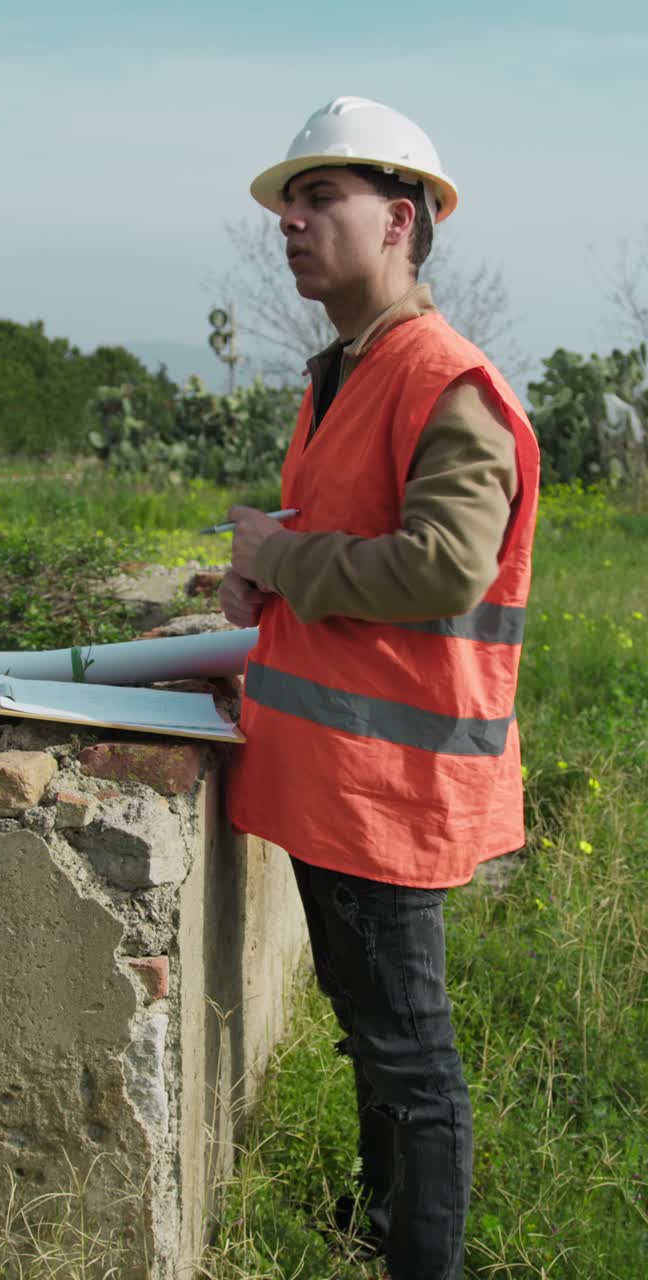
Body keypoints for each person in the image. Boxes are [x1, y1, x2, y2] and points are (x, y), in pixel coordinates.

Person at [219, 96, 540, 1280]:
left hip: (391, 785)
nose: (288, 225)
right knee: (375, 1036)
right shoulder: (343, 371)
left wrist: (283, 559)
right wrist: (264, 579)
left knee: (412, 1053)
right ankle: (372, 1228)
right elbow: (341, 537)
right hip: (331, 776)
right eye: (287, 206)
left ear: (399, 219)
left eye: (317, 200)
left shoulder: (446, 378)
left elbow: (444, 565)